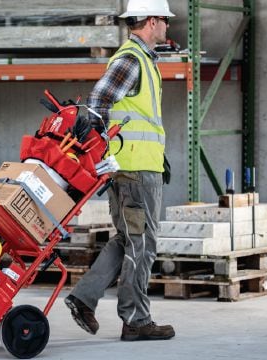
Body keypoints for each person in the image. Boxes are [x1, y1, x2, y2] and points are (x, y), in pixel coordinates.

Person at [64, 0, 175, 341]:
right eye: (165, 21)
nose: (168, 27)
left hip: (140, 166)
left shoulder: (142, 59)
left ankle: (84, 298)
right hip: (133, 171)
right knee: (143, 244)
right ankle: (136, 321)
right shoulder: (131, 59)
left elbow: (138, 119)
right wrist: (109, 151)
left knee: (128, 238)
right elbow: (98, 103)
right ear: (152, 21)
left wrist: (157, 157)